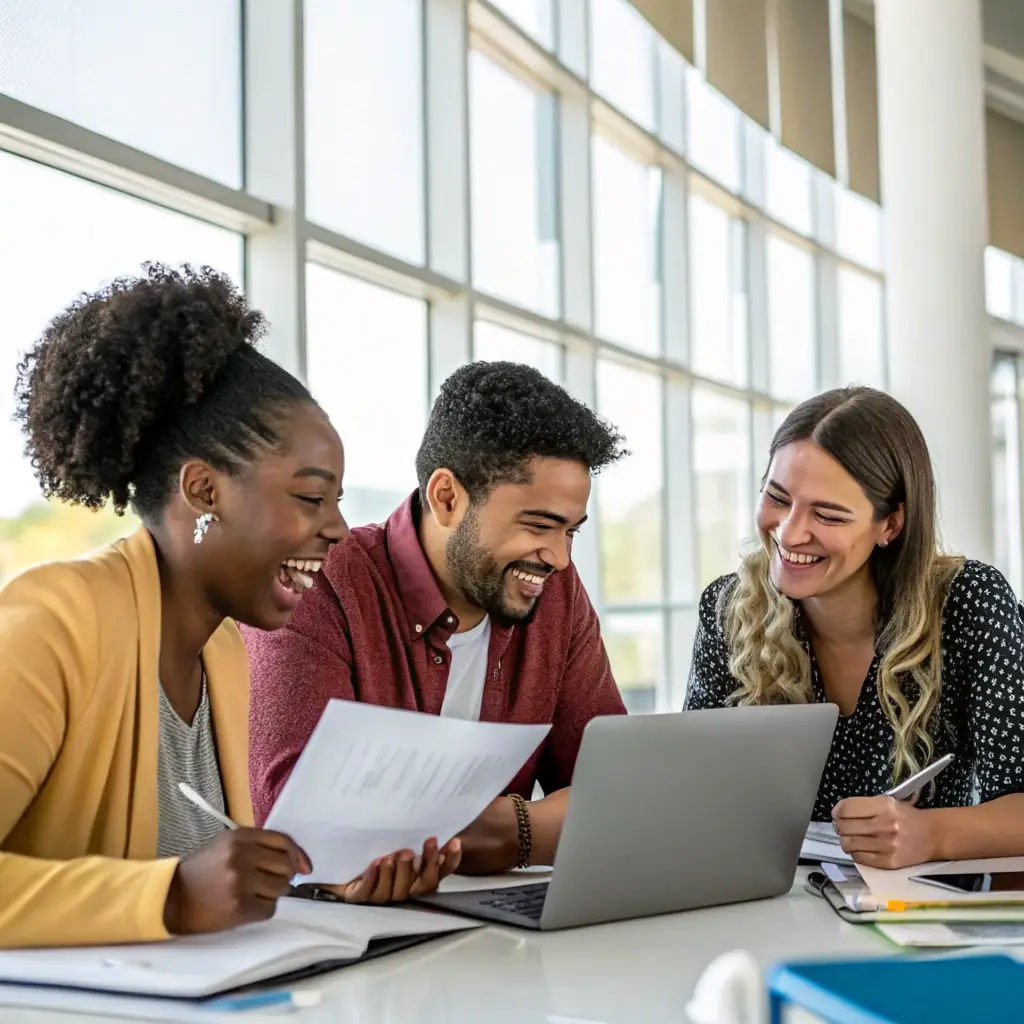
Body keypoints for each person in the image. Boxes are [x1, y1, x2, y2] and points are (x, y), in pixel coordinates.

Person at [0, 264, 455, 949]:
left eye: (336, 500)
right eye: (310, 497)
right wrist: (172, 895)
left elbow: (213, 882)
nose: (337, 526)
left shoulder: (223, 652)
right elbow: (176, 892)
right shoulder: (55, 623)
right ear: (204, 491)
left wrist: (318, 881)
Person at [246, 361, 629, 875]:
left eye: (572, 532)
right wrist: (531, 828)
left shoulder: (554, 593)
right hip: (326, 928)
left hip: (492, 933)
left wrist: (519, 833)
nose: (559, 557)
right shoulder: (321, 579)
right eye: (540, 525)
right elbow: (292, 821)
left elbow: (621, 790)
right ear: (446, 497)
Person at [686, 386, 1024, 870]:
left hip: (923, 916)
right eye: (777, 498)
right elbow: (691, 798)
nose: (790, 533)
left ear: (890, 524)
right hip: (774, 911)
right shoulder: (730, 607)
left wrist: (930, 834)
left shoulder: (969, 602)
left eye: (827, 514)